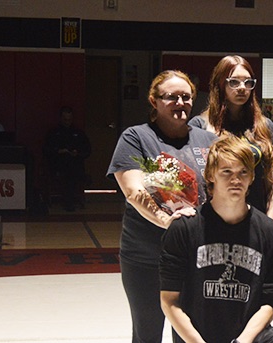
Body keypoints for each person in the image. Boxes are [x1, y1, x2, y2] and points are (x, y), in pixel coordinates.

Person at [107, 70, 217, 343]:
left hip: (196, 256)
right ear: (154, 101)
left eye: (186, 96)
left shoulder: (209, 141)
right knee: (147, 333)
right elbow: (134, 191)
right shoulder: (136, 137)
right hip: (146, 256)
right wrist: (168, 221)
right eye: (171, 97)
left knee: (191, 334)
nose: (180, 102)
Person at [160, 135, 273, 343]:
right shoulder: (184, 229)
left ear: (252, 177)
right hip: (198, 337)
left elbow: (271, 301)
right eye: (227, 172)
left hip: (250, 337)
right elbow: (169, 300)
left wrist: (242, 341)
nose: (236, 180)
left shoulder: (270, 232)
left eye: (243, 172)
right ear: (211, 175)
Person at [189, 55, 273, 220]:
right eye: (234, 82)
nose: (242, 88)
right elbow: (193, 179)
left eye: (248, 82)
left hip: (254, 217)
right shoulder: (200, 125)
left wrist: (270, 221)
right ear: (220, 84)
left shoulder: (264, 127)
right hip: (211, 219)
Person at [43, 106, 92, 211]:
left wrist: (77, 153)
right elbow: (46, 150)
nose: (67, 122)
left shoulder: (78, 133)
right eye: (65, 119)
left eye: (69, 119)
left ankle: (70, 200)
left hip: (75, 163)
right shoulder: (54, 133)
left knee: (73, 171)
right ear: (61, 118)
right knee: (68, 172)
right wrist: (58, 151)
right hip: (58, 164)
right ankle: (69, 201)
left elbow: (87, 150)